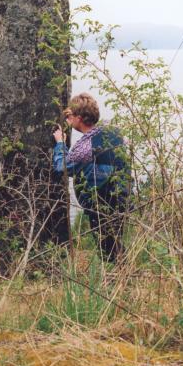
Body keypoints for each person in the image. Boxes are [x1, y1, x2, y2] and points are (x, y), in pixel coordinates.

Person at [52, 92, 131, 263]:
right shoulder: (114, 132)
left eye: (71, 116)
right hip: (121, 196)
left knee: (108, 248)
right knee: (114, 242)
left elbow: (62, 167)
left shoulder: (85, 146)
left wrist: (60, 143)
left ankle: (122, 281)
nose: (69, 119)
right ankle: (126, 277)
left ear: (79, 118)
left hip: (100, 201)